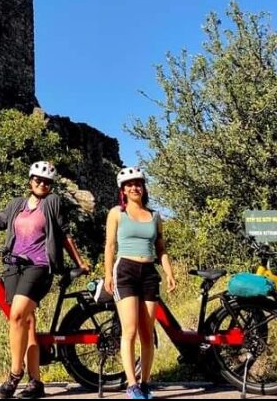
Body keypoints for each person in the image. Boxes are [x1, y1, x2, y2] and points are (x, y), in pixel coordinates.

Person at [0, 161, 91, 399]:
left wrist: (79, 262)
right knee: (27, 324)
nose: (42, 184)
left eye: (47, 182)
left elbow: (65, 233)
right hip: (13, 266)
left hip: (39, 266)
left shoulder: (52, 202)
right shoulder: (17, 204)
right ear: (30, 180)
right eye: (38, 180)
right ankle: (36, 382)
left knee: (16, 315)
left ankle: (15, 374)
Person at [103, 167, 176, 400]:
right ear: (123, 190)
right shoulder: (117, 213)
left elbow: (161, 249)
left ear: (143, 188)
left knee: (147, 333)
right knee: (130, 330)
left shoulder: (155, 216)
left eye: (138, 184)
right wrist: (107, 275)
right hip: (125, 270)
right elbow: (110, 246)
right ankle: (131, 385)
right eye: (130, 184)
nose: (135, 187)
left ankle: (145, 382)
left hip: (149, 273)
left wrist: (170, 273)